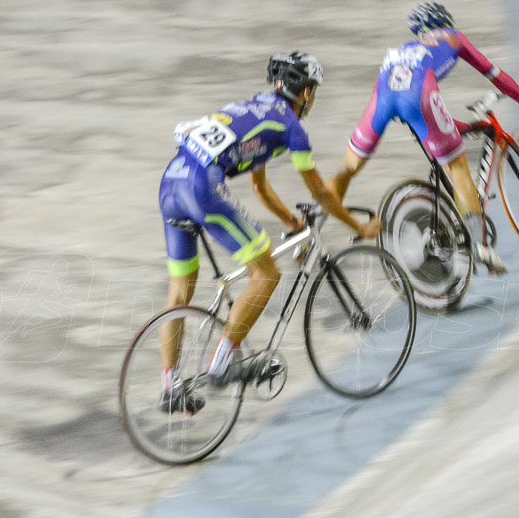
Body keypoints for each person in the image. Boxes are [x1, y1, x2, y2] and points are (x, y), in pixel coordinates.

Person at [158, 51, 380, 413]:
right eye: (314, 91)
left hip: (171, 183)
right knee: (266, 273)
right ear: (305, 93)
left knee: (179, 293)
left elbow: (259, 187)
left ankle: (170, 387)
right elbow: (321, 193)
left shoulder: (255, 108)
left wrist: (292, 224)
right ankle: (221, 365)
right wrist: (359, 226)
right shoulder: (292, 129)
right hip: (202, 189)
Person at [328, 2, 519, 276]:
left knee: (348, 166)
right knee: (457, 167)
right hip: (418, 94)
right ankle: (481, 248)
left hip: (383, 97)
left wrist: (453, 126)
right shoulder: (453, 36)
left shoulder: (404, 48)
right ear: (445, 22)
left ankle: (311, 222)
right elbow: (496, 75)